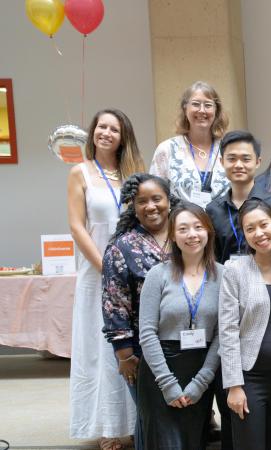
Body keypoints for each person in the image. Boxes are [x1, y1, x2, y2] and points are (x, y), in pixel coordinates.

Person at [67, 108, 144, 449]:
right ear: (93, 132)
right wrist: (106, 267)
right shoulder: (80, 173)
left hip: (132, 275)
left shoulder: (135, 174)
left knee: (130, 347)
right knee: (99, 350)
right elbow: (77, 226)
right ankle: (109, 427)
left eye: (114, 128)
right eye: (101, 127)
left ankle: (134, 423)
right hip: (96, 273)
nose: (106, 133)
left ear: (123, 136)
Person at [138, 203, 224, 449]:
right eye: (183, 229)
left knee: (193, 442)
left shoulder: (224, 275)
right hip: (160, 371)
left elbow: (223, 333)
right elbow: (147, 333)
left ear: (208, 232)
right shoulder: (158, 274)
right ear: (173, 235)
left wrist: (201, 381)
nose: (192, 235)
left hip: (201, 370)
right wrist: (168, 384)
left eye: (198, 227)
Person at [102, 173, 176, 450]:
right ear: (133, 206)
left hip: (187, 345)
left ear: (169, 200)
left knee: (180, 414)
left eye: (157, 198)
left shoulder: (186, 235)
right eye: (141, 201)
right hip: (141, 351)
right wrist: (125, 354)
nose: (151, 206)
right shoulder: (121, 247)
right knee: (151, 416)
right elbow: (114, 303)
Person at [218, 199, 271, 450]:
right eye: (250, 229)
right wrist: (234, 385)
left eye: (264, 225)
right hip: (249, 379)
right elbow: (227, 330)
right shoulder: (235, 270)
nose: (259, 233)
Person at [206, 130, 271, 264]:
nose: (238, 165)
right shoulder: (213, 210)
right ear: (222, 162)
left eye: (246, 159)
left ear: (258, 162)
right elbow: (213, 257)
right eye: (231, 159)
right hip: (228, 282)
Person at [150, 81, 230, 208]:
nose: (202, 110)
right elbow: (154, 197)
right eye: (196, 104)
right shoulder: (167, 150)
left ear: (216, 110)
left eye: (208, 105)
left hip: (223, 226)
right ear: (185, 108)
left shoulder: (228, 149)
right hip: (181, 226)